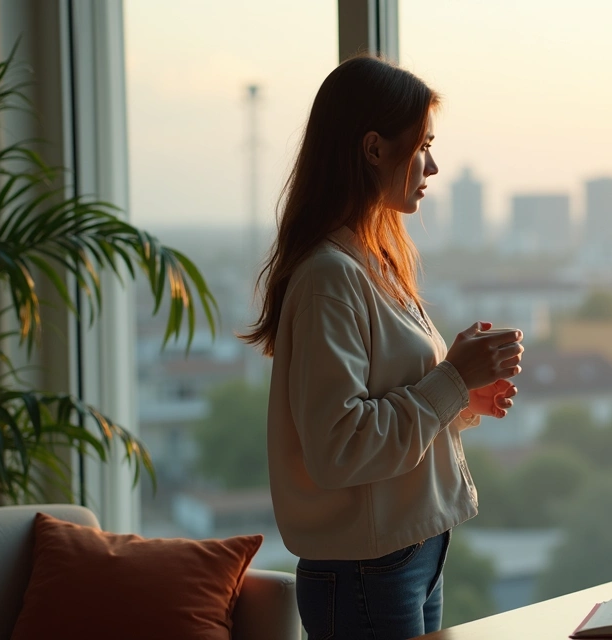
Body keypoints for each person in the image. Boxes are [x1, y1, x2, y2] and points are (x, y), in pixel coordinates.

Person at [240, 55, 523, 639]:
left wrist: (464, 395)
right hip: (369, 569)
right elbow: (340, 449)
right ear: (374, 149)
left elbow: (386, 404)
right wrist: (451, 379)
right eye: (421, 144)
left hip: (407, 554)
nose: (433, 164)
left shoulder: (374, 264)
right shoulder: (329, 277)